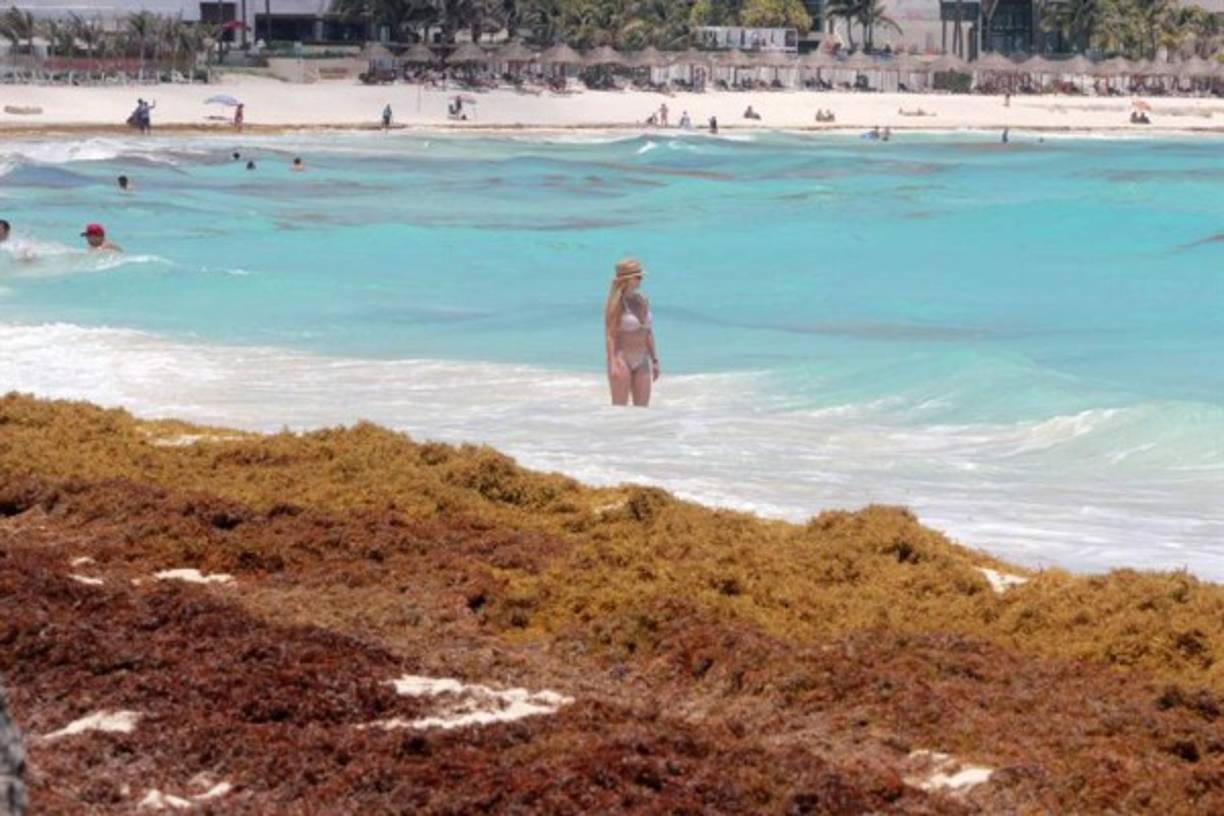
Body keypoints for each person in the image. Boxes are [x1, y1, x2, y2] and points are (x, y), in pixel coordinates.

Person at [605, 258, 659, 407]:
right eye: (638, 277)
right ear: (627, 279)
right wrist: (612, 364)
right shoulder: (616, 304)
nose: (641, 280)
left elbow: (648, 332)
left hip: (642, 359)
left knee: (643, 411)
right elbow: (610, 335)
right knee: (619, 410)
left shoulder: (642, 300)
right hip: (622, 359)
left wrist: (655, 360)